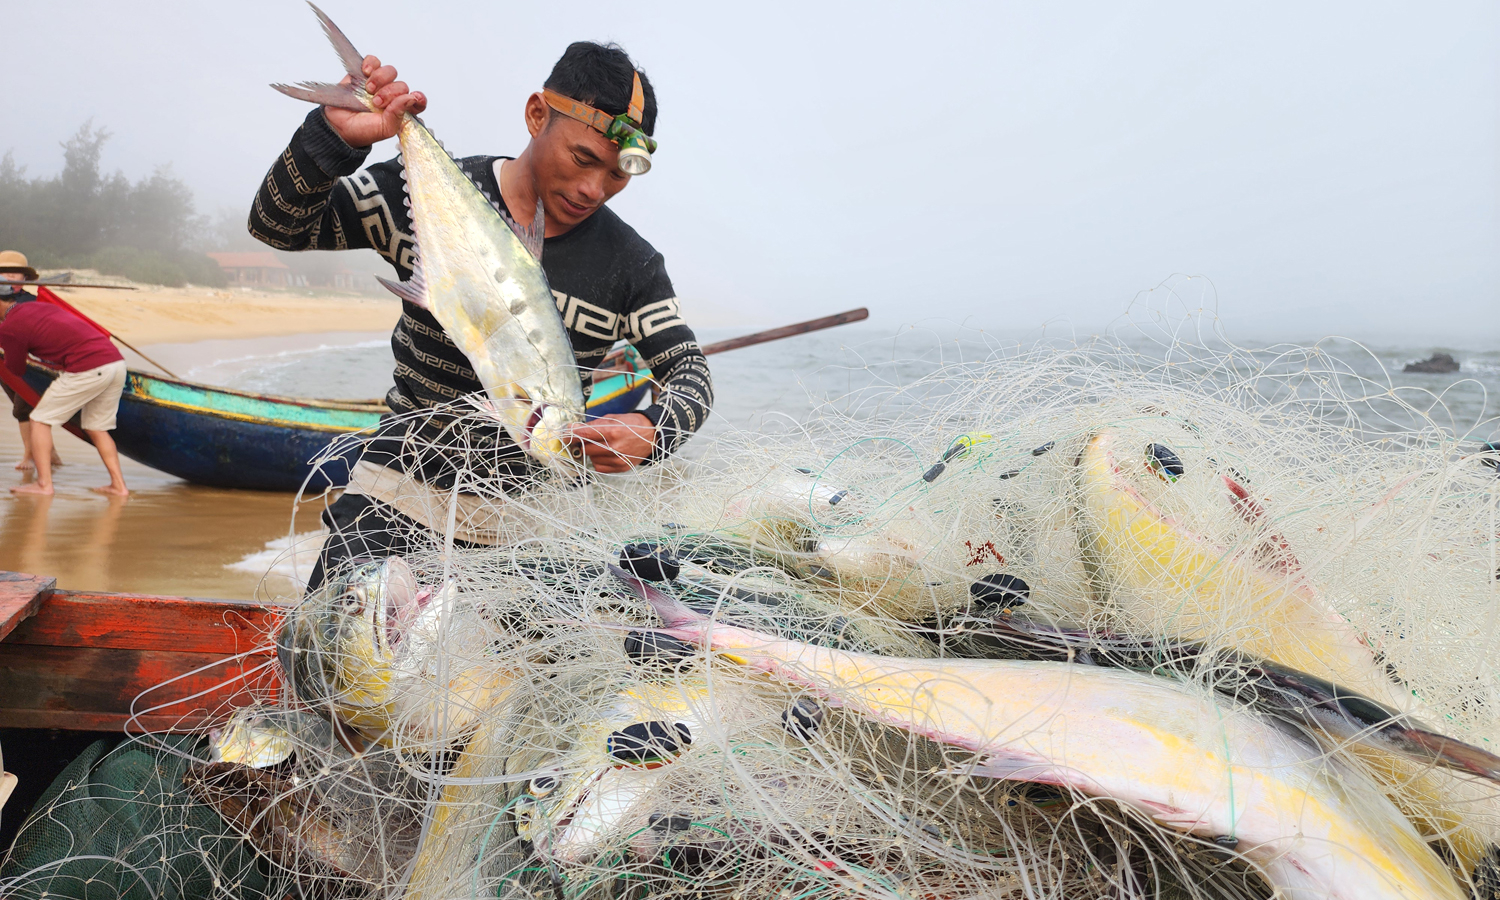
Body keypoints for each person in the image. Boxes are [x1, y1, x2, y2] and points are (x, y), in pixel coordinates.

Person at [248, 41, 714, 590]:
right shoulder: (422, 192)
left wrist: (653, 429)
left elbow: (690, 374)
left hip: (535, 533)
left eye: (617, 174)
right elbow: (279, 227)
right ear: (537, 114)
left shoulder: (631, 264)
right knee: (346, 664)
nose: (594, 189)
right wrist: (332, 140)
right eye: (583, 158)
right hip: (397, 501)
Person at [0, 251, 129, 497]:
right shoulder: (39, 307)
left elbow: (16, 370)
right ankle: (119, 486)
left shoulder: (10, 326)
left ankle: (44, 485)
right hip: (115, 363)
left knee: (40, 419)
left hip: (87, 368)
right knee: (96, 427)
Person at [0, 252, 65, 472]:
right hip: (4, 362)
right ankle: (49, 452)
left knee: (23, 407)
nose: (8, 277)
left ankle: (30, 455)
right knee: (21, 408)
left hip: (31, 363)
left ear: (24, 277)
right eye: (3, 273)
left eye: (13, 273)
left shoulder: (32, 301)